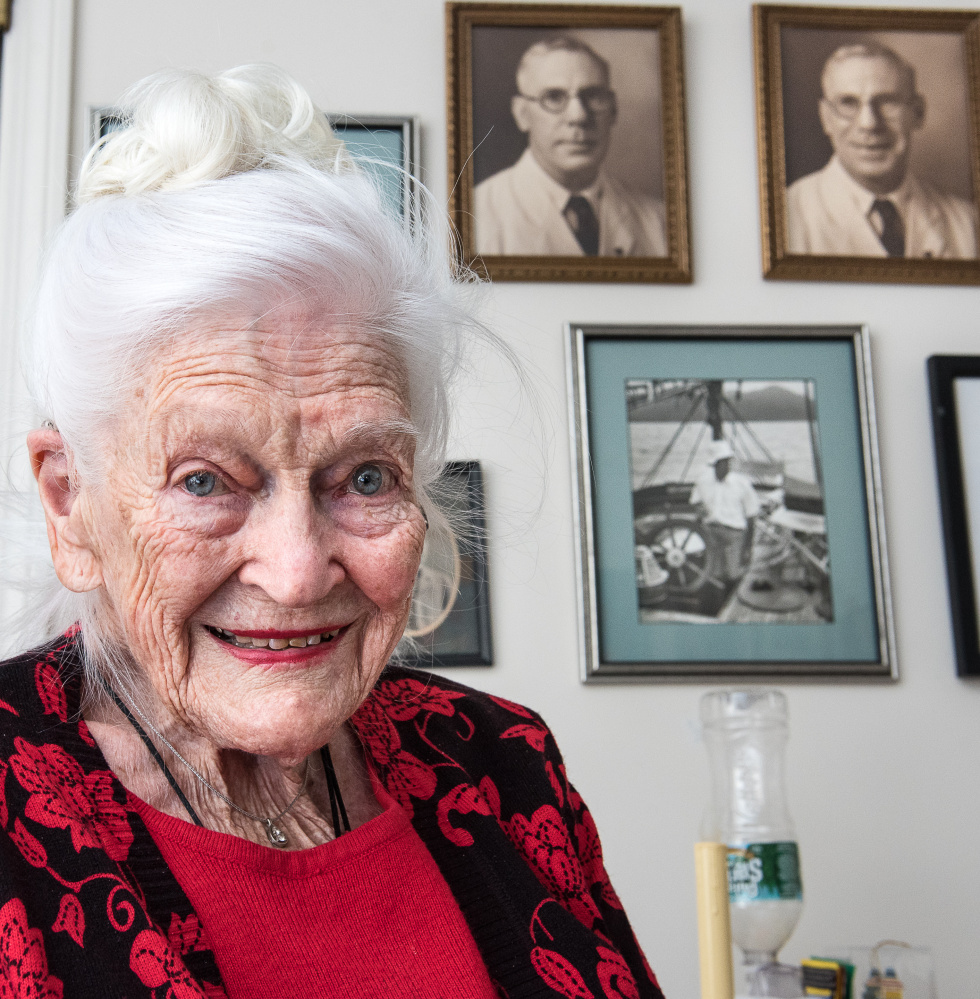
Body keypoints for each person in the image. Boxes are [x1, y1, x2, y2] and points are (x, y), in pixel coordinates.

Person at [0, 67, 663, 998]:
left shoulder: (503, 767)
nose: (301, 570)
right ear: (72, 503)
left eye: (363, 477)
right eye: (204, 480)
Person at [474, 34, 667, 257]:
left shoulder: (658, 222)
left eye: (593, 96)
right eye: (554, 97)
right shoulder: (475, 217)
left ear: (613, 110)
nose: (579, 116)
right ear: (522, 113)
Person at [786, 41, 978, 259]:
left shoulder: (968, 224)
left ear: (918, 113)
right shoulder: (786, 216)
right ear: (826, 117)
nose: (869, 123)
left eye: (887, 102)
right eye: (848, 103)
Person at [690, 440, 760, 585]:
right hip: (710, 533)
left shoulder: (742, 484)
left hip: (735, 535)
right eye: (721, 463)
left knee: (734, 575)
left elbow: (752, 517)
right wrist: (700, 512)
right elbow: (695, 503)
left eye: (727, 462)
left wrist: (748, 548)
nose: (726, 466)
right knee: (713, 575)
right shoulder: (702, 481)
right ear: (713, 464)